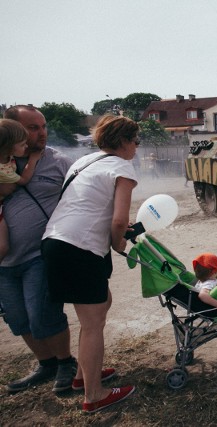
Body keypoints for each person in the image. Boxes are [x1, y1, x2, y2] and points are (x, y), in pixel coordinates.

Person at [41, 115, 139, 413]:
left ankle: (84, 376)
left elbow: (88, 204)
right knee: (93, 322)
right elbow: (119, 219)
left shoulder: (83, 162)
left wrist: (116, 231)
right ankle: (94, 396)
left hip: (54, 241)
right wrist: (119, 242)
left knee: (101, 303)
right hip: (79, 247)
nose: (136, 145)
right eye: (135, 140)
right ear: (122, 141)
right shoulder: (122, 166)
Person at [0, 105, 76, 393]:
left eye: (43, 126)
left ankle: (66, 363)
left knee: (42, 314)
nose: (42, 132)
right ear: (13, 129)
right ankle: (47, 364)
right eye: (33, 128)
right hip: (4, 262)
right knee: (18, 319)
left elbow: (85, 198)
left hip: (39, 255)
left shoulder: (60, 163)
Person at [0, 119, 43, 263]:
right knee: (3, 246)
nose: (26, 146)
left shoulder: (5, 157)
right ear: (8, 147)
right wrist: (33, 159)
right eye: (22, 144)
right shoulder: (3, 171)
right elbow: (23, 180)